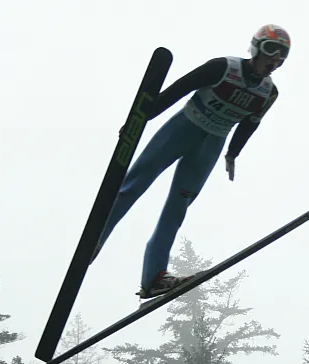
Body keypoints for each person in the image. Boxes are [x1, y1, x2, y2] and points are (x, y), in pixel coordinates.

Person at [91, 24, 291, 299]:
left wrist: (232, 153)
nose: (275, 60)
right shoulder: (223, 67)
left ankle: (154, 277)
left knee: (178, 206)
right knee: (135, 183)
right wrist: (140, 119)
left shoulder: (269, 93)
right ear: (256, 47)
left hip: (211, 144)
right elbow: (178, 90)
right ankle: (95, 239)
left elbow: (250, 124)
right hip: (183, 128)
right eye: (271, 50)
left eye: (282, 55)